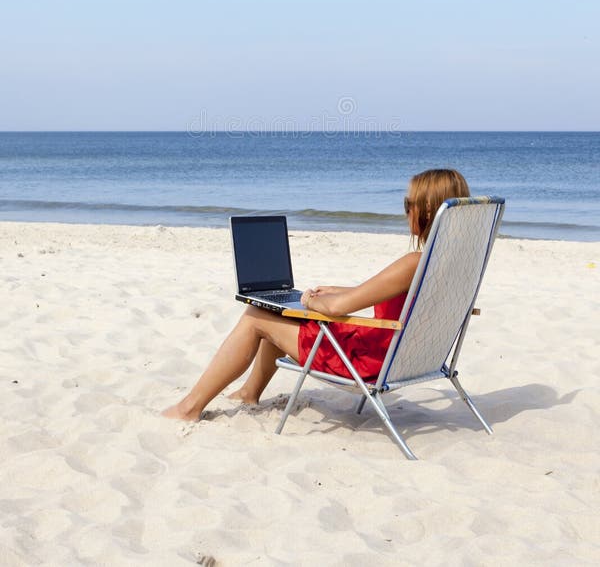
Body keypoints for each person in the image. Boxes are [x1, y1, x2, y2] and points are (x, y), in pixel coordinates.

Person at [162, 168, 470, 421]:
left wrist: (312, 301)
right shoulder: (449, 262)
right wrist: (338, 290)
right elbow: (392, 295)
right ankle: (248, 393)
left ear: (428, 210)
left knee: (257, 316)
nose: (405, 212)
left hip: (367, 361)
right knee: (275, 312)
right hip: (402, 356)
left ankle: (189, 408)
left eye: (408, 205)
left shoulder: (412, 263)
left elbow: (336, 309)